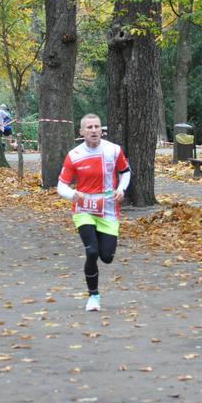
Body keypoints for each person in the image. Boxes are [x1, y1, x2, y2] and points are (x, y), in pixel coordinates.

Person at [57, 113, 131, 311]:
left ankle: (100, 241)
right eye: (89, 127)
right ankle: (93, 297)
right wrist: (72, 194)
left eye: (97, 126)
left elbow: (125, 172)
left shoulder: (113, 150)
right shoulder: (74, 155)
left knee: (106, 257)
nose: (94, 130)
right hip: (84, 209)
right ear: (81, 132)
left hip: (108, 209)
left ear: (101, 130)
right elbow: (61, 186)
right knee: (92, 251)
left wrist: (122, 190)